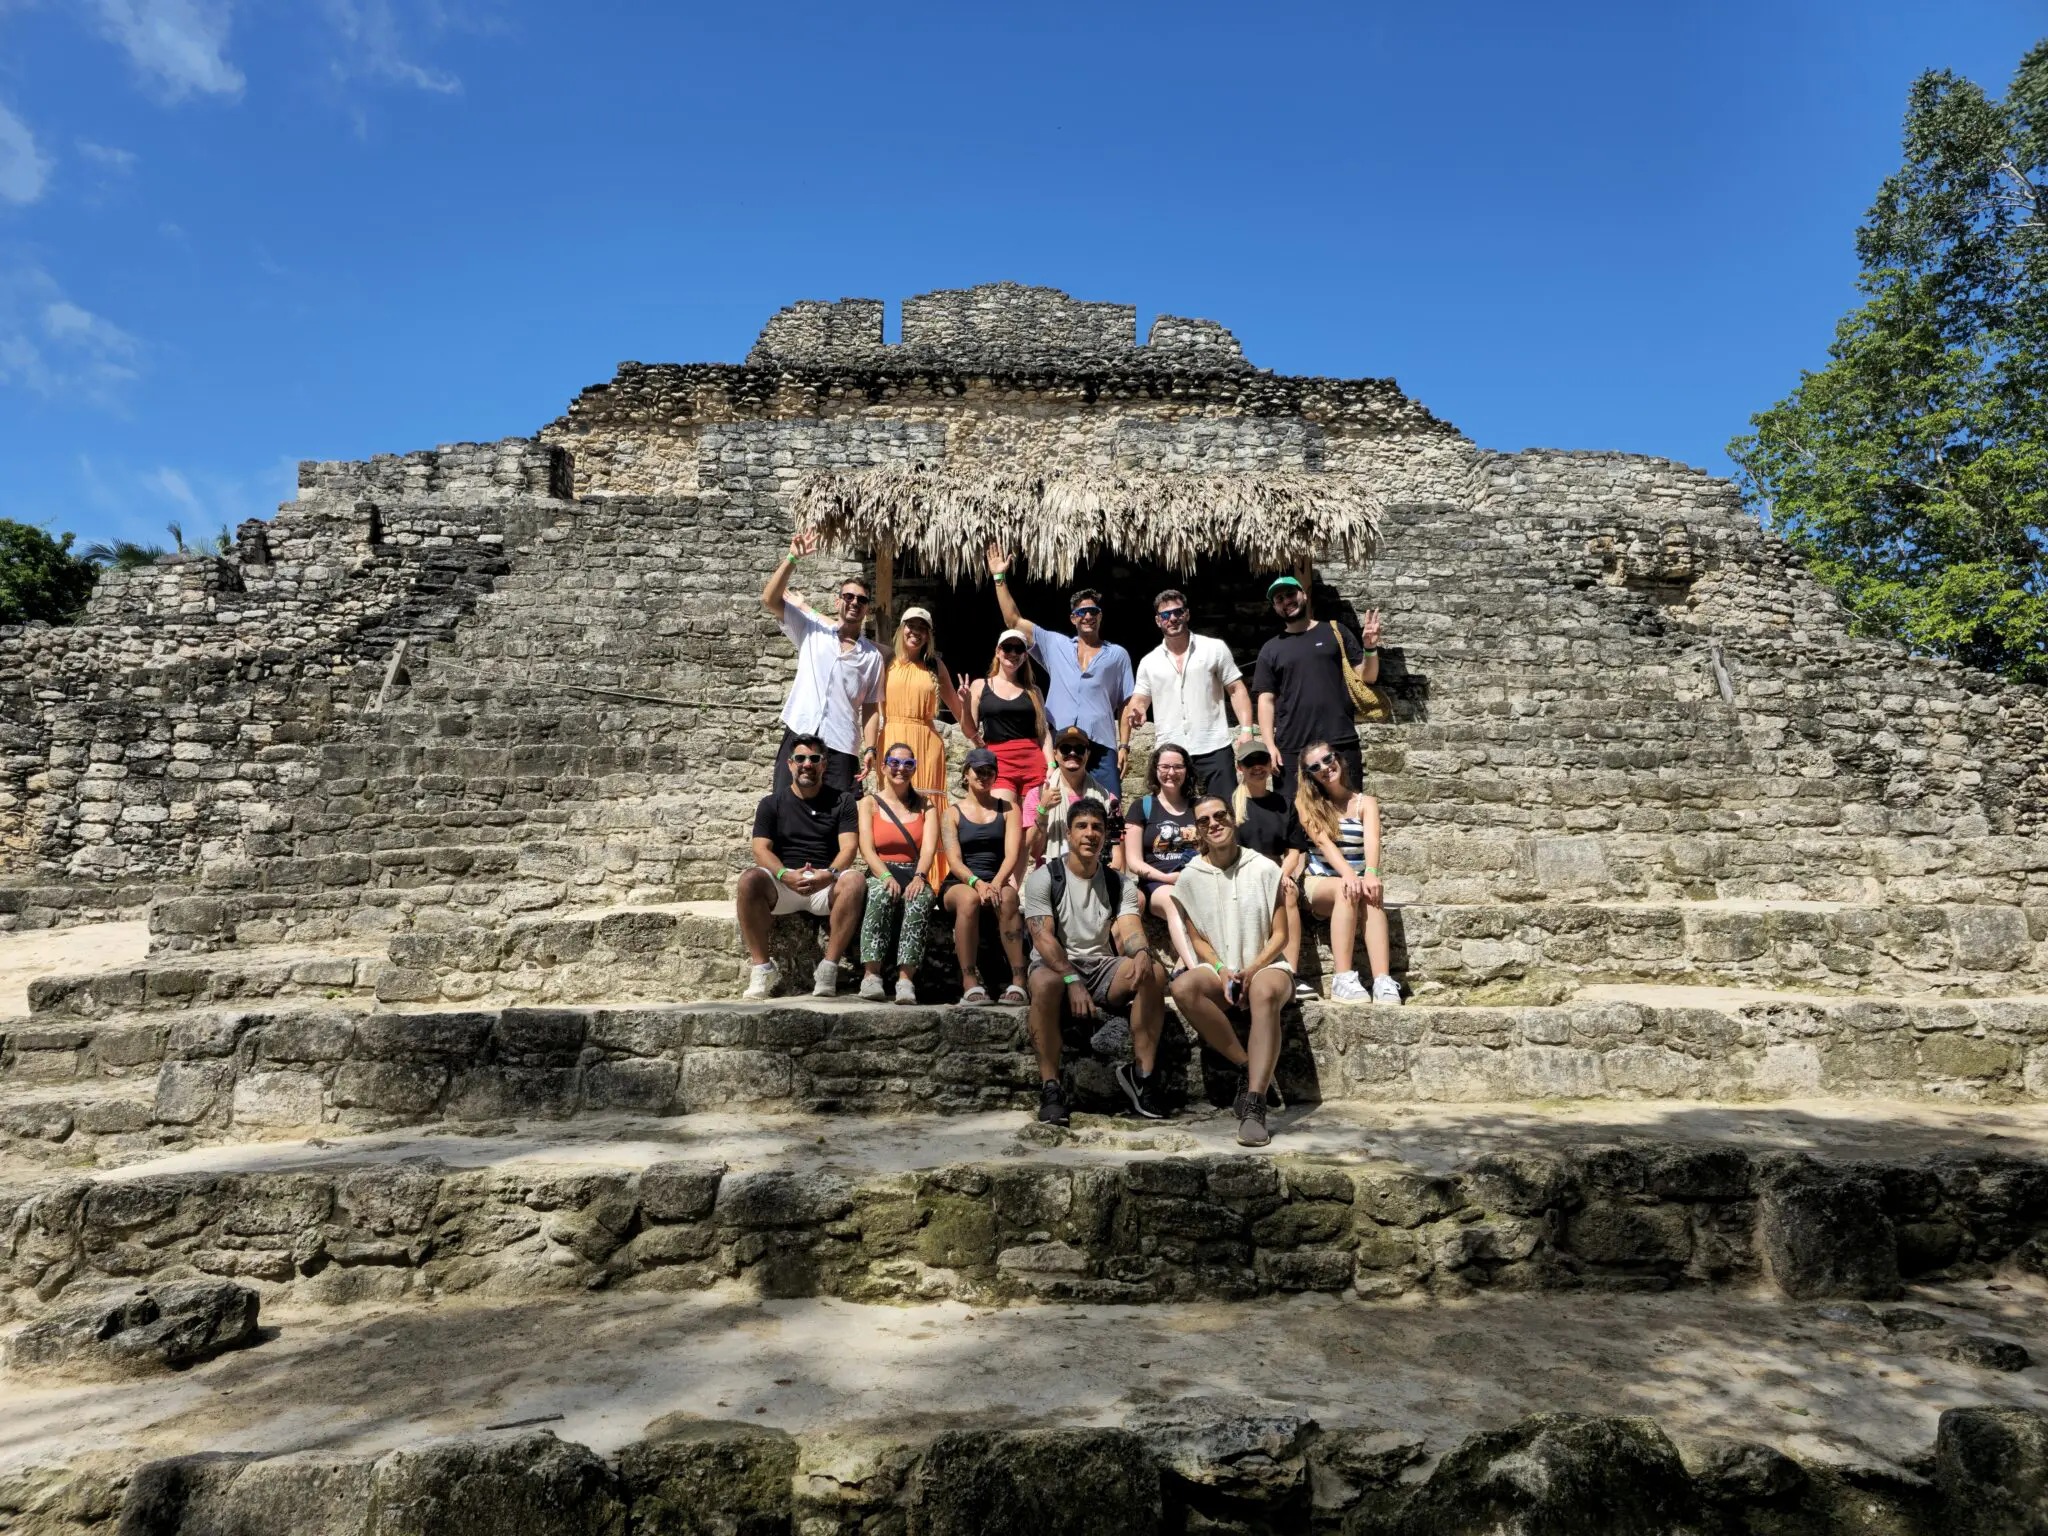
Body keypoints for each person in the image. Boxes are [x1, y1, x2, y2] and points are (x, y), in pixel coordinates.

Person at [1021, 798, 1169, 1126]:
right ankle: (1051, 1087)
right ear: (1069, 834)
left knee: (1154, 972)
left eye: (1097, 827)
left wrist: (1142, 953)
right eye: (1082, 826)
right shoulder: (1044, 878)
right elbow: (1043, 939)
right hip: (1056, 965)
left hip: (1102, 966)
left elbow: (1130, 928)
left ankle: (1142, 1076)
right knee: (1044, 982)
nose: (1090, 833)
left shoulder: (1119, 882)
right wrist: (1072, 980)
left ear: (1105, 835)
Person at [1168, 795, 1298, 1147]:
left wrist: (1252, 970)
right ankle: (1246, 1065)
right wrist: (1223, 970)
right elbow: (1198, 939)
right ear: (1198, 830)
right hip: (1221, 968)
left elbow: (1281, 935)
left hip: (1267, 965)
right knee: (1182, 988)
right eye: (1204, 820)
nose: (1214, 824)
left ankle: (1255, 1104)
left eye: (1220, 815)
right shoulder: (1190, 877)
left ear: (1233, 818)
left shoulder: (1264, 868)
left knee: (1263, 992)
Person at [986, 542, 1134, 801]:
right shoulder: (1055, 644)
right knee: (1058, 806)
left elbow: (1126, 703)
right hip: (1060, 743)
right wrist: (999, 578)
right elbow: (1014, 621)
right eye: (1081, 612)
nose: (1087, 616)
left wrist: (1124, 745)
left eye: (1093, 611)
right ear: (1073, 618)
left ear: (1100, 616)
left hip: (1101, 744)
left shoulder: (1117, 655)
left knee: (1110, 807)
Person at [739, 733, 866, 999]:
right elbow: (760, 849)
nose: (807, 764)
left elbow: (849, 848)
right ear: (790, 764)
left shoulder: (843, 801)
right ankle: (762, 968)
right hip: (784, 883)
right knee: (749, 880)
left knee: (855, 881)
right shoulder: (771, 803)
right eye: (800, 758)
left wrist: (828, 875)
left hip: (825, 883)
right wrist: (784, 875)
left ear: (824, 764)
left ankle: (828, 968)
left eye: (814, 759)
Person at [760, 530, 884, 794]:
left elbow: (871, 707)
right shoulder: (812, 630)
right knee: (786, 805)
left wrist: (871, 748)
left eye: (861, 600)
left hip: (841, 745)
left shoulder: (872, 657)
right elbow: (770, 599)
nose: (854, 602)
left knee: (840, 813)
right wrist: (792, 558)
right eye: (849, 597)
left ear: (867, 608)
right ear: (838, 601)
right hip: (800, 732)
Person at [1251, 574, 1383, 805]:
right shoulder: (1270, 649)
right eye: (1279, 599)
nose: (1286, 601)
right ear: (1275, 607)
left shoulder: (1335, 631)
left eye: (1290, 594)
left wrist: (1370, 648)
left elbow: (1367, 677)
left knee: (1349, 810)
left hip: (1339, 740)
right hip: (1293, 746)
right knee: (1296, 815)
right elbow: (1266, 700)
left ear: (1303, 595)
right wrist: (1269, 745)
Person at [1294, 738, 1401, 1004]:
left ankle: (1382, 980)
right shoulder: (1305, 803)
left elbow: (1372, 840)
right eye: (1315, 767)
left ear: (1337, 758)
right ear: (1309, 775)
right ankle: (1342, 978)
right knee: (1346, 889)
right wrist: (1349, 875)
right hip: (1319, 881)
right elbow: (1323, 843)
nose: (1324, 768)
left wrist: (1371, 873)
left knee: (1371, 894)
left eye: (1327, 759)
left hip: (1357, 881)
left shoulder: (1366, 802)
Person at [1125, 588, 1255, 800]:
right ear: (1158, 620)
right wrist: (1137, 710)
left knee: (1224, 811)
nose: (1172, 618)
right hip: (1171, 753)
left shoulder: (1214, 648)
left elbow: (1236, 689)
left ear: (1187, 614)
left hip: (1214, 747)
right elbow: (1139, 699)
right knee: (1176, 815)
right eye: (1165, 615)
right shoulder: (1149, 661)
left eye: (1177, 612)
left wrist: (1247, 730)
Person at [940, 747, 1030, 1005]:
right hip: (961, 882)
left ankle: (1019, 981)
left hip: (996, 878)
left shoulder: (1009, 809)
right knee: (969, 900)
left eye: (990, 772)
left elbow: (1012, 854)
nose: (984, 776)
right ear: (966, 774)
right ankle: (969, 982)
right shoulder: (952, 813)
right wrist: (977, 883)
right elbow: (954, 861)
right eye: (978, 771)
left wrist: (996, 883)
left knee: (1008, 898)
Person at [856, 741, 940, 1005]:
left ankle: (905, 979)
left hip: (913, 872)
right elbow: (866, 848)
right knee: (880, 895)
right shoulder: (869, 803)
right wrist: (885, 877)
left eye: (908, 764)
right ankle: (871, 975)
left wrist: (920, 877)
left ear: (914, 768)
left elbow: (929, 849)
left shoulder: (926, 806)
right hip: (881, 870)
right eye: (894, 763)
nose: (900, 768)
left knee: (920, 899)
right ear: (883, 767)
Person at [1231, 736, 1313, 996]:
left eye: (1262, 760)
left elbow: (1294, 850)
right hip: (1238, 871)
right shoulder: (1229, 805)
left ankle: (1290, 973)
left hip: (1276, 870)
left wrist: (1280, 874)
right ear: (1239, 767)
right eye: (1250, 762)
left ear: (1270, 764)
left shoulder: (1284, 804)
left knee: (1288, 892)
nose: (1257, 767)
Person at [868, 606, 977, 803]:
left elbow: (958, 712)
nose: (916, 632)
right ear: (902, 628)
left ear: (928, 636)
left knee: (926, 807)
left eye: (922, 628)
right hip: (891, 740)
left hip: (926, 747)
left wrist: (978, 739)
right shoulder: (886, 658)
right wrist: (810, 611)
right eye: (911, 625)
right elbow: (847, 633)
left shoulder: (935, 665)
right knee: (891, 804)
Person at [1121, 741, 1203, 975]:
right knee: (1175, 901)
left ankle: (1181, 968)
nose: (1171, 772)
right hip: (1157, 883)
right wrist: (1167, 878)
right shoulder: (1142, 806)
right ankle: (1195, 968)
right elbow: (1134, 861)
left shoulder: (1198, 807)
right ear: (1155, 769)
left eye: (1178, 767)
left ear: (1186, 770)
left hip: (1196, 879)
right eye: (1165, 766)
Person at [965, 629, 1051, 824]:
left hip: (1033, 760)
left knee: (1034, 822)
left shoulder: (1034, 691)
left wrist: (1052, 766)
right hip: (998, 760)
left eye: (1018, 649)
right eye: (1007, 647)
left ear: (1025, 655)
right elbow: (970, 729)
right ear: (998, 651)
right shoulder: (980, 685)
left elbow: (1044, 733)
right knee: (1002, 820)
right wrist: (963, 704)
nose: (1013, 653)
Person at [1033, 726, 1123, 867]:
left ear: (1088, 754)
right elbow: (1034, 852)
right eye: (1065, 749)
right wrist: (1043, 811)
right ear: (1055, 754)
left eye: (1079, 749)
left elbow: (1117, 854)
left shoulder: (1108, 799)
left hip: (1095, 874)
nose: (1072, 753)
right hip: (1053, 874)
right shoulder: (1038, 795)